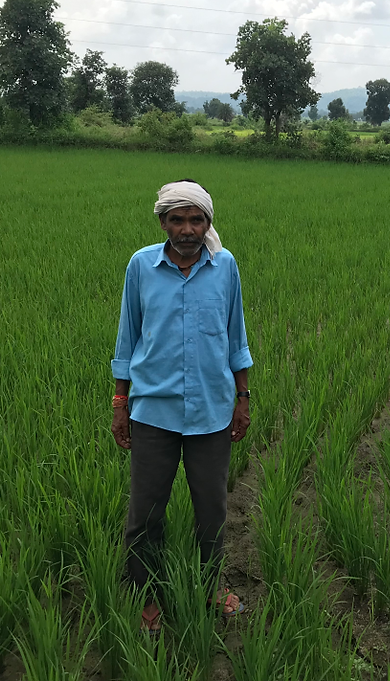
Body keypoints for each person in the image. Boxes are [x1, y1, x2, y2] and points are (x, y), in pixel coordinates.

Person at [110, 179, 252, 632]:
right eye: (177, 219)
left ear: (208, 222)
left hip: (212, 410)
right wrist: (119, 401)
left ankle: (210, 586)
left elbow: (236, 338)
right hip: (152, 410)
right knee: (146, 510)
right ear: (162, 222)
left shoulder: (225, 265)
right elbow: (127, 338)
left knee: (211, 508)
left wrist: (243, 398)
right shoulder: (141, 266)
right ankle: (148, 596)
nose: (187, 229)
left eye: (196, 219)